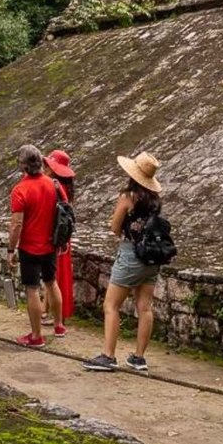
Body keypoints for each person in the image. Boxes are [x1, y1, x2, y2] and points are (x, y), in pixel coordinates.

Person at [84, 152, 165, 373]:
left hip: (130, 254)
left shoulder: (128, 196)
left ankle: (108, 355)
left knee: (111, 305)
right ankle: (139, 357)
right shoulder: (155, 201)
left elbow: (114, 227)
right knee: (145, 307)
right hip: (152, 256)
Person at [7, 144, 62, 348]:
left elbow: (16, 224)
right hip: (50, 244)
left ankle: (37, 335)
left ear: (22, 166)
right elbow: (62, 214)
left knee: (32, 289)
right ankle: (58, 325)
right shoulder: (53, 184)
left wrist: (11, 249)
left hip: (30, 247)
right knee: (51, 282)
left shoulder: (20, 190)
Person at [44, 149, 75, 327]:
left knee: (55, 276)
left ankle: (57, 315)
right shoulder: (66, 187)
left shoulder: (55, 186)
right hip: (63, 235)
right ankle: (53, 312)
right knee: (58, 274)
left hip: (56, 235)